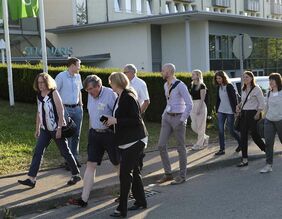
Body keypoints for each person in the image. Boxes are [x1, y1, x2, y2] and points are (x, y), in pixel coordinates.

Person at [18, 73, 81, 188]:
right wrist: (37, 128)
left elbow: (60, 111)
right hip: (45, 130)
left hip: (56, 128)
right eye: (39, 82)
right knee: (38, 151)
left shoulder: (54, 93)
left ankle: (76, 174)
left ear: (47, 83)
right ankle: (31, 179)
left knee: (65, 152)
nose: (40, 85)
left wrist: (59, 128)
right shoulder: (39, 95)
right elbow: (39, 112)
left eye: (42, 82)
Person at [68, 75, 119, 207]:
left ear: (99, 86)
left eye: (91, 89)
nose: (89, 92)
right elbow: (92, 114)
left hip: (110, 135)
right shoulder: (90, 95)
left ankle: (126, 192)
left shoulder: (111, 94)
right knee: (90, 165)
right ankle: (83, 199)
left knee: (117, 164)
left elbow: (119, 115)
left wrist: (112, 123)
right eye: (87, 90)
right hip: (95, 134)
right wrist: (91, 130)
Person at [106, 72, 148, 218]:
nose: (109, 84)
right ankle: (141, 201)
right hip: (128, 140)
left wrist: (116, 121)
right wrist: (111, 122)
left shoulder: (128, 97)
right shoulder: (121, 96)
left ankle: (122, 209)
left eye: (110, 81)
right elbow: (122, 118)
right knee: (134, 172)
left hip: (135, 141)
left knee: (125, 174)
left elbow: (136, 120)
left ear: (116, 82)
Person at [157, 63, 193, 185]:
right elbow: (169, 102)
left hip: (178, 118)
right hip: (167, 117)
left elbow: (190, 104)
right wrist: (163, 115)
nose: (161, 72)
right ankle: (168, 174)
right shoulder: (165, 85)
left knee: (180, 148)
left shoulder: (180, 85)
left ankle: (182, 176)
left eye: (163, 70)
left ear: (169, 72)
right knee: (161, 145)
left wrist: (182, 119)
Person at [55, 57, 83, 167]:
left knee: (76, 134)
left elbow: (79, 91)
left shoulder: (78, 76)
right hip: (65, 109)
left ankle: (74, 157)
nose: (79, 67)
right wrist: (61, 108)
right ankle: (68, 160)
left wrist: (80, 105)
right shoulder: (61, 76)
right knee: (67, 134)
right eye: (78, 65)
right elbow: (55, 92)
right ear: (72, 65)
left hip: (77, 108)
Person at [123, 64, 150, 170]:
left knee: (139, 137)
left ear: (132, 72)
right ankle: (133, 162)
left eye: (125, 72)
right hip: (126, 116)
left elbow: (147, 101)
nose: (123, 74)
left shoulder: (140, 84)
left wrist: (138, 114)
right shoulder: (125, 83)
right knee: (130, 138)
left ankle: (139, 162)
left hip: (136, 115)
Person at [236, 71, 266, 167]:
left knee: (255, 135)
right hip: (244, 114)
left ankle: (266, 149)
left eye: (247, 77)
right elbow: (243, 101)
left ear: (252, 78)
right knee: (243, 136)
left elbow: (262, 103)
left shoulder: (257, 89)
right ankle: (244, 159)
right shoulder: (243, 88)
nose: (245, 79)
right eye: (244, 77)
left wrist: (258, 113)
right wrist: (239, 105)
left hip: (253, 114)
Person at [214, 71, 242, 155]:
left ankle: (241, 143)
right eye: (217, 78)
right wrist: (217, 109)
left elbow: (234, 98)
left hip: (229, 111)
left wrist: (236, 110)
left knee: (231, 130)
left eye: (219, 78)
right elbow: (218, 99)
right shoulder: (219, 87)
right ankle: (222, 149)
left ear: (223, 78)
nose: (218, 80)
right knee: (220, 130)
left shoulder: (229, 86)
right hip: (221, 111)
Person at [260, 73, 282, 173]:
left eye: (272, 80)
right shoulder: (269, 93)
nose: (270, 82)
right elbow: (266, 107)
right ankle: (268, 165)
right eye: (270, 80)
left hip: (280, 120)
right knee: (268, 143)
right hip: (269, 120)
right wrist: (262, 117)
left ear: (278, 81)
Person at [189, 69, 209, 150]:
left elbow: (202, 99)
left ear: (198, 76)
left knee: (200, 126)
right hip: (192, 105)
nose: (192, 75)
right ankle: (205, 137)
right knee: (194, 126)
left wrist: (199, 108)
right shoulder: (191, 85)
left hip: (200, 105)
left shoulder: (202, 86)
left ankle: (199, 145)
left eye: (193, 74)